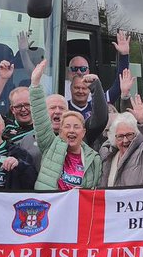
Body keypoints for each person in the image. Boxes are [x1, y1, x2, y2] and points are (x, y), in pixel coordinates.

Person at [29, 59, 103, 191]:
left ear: (84, 132)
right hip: (52, 209)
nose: (71, 131)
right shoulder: (50, 145)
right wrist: (35, 84)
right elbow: (40, 117)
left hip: (79, 210)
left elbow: (101, 118)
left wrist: (96, 87)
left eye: (76, 127)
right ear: (61, 130)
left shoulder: (93, 159)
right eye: (67, 127)